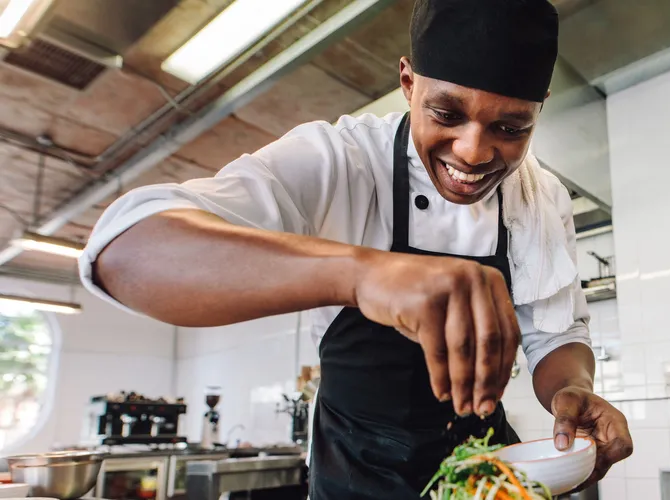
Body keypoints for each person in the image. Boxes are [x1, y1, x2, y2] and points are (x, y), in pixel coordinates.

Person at [78, 0, 632, 498]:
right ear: (408, 82)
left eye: (511, 127)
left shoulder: (540, 196)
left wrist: (571, 388)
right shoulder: (338, 159)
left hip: (487, 477)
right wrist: (362, 275)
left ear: (540, 111)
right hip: (354, 474)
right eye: (446, 113)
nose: (474, 151)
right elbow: (125, 250)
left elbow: (556, 333)